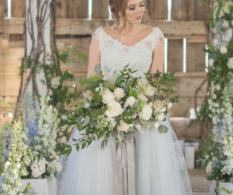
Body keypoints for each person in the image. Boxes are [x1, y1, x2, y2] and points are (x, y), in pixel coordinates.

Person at [58, 0, 192, 194]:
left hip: (144, 117)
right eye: (132, 7)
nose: (139, 11)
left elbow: (155, 81)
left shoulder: (154, 36)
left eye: (142, 5)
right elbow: (91, 82)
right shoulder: (101, 37)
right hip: (105, 116)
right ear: (117, 8)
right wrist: (105, 108)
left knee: (146, 173)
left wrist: (138, 107)